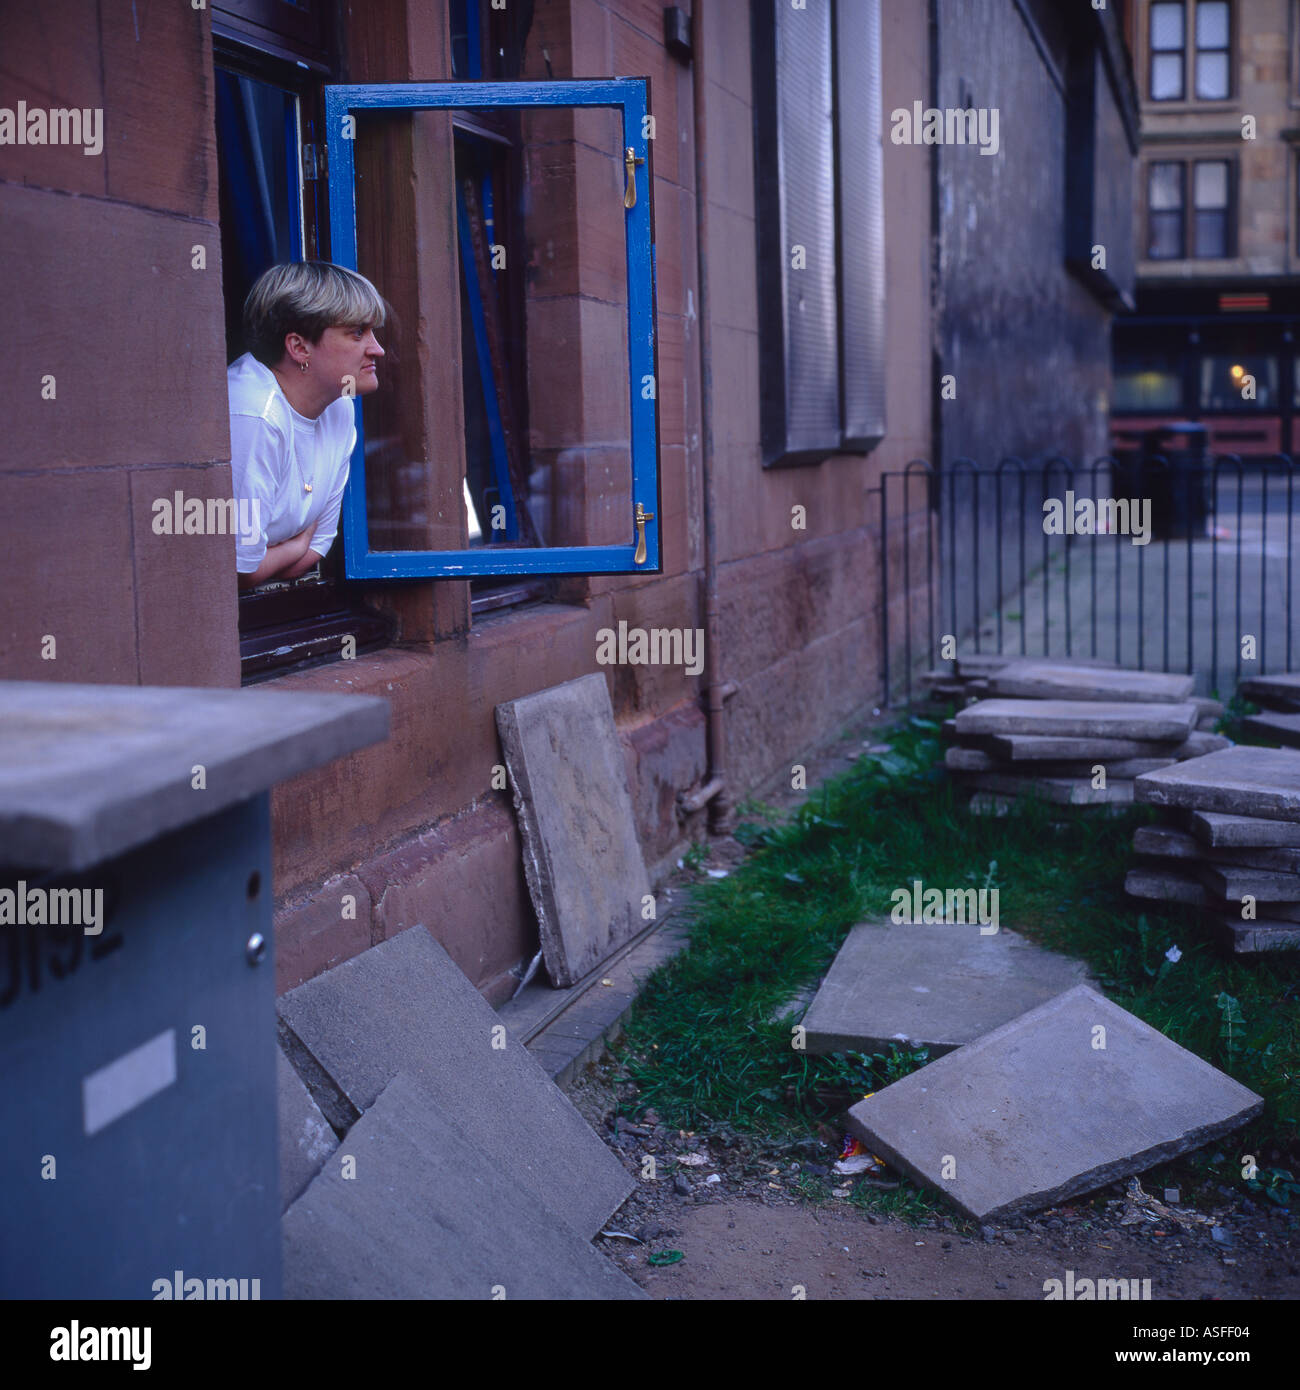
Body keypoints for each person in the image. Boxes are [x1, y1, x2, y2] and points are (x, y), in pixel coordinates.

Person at [228, 261, 386, 589]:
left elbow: (318, 546)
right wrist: (296, 545)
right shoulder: (255, 416)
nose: (378, 349)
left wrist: (288, 551)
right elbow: (237, 569)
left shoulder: (340, 407)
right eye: (358, 332)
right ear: (299, 347)